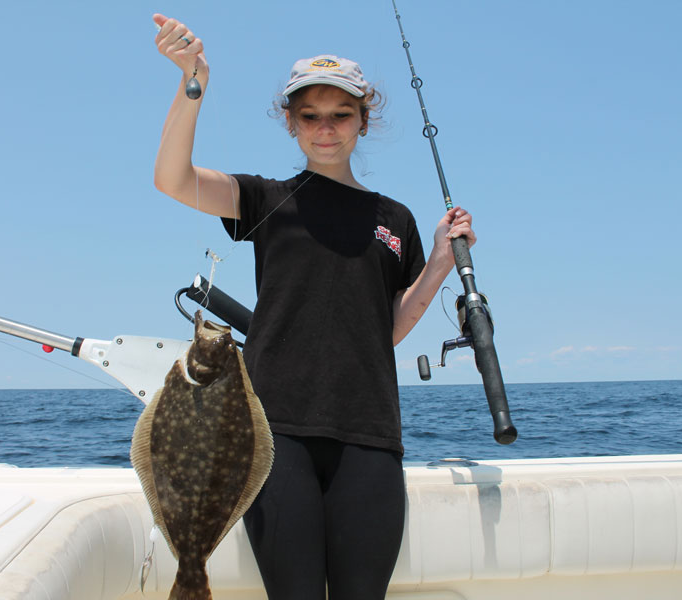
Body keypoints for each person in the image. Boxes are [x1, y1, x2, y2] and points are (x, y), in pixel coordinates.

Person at [151, 13, 476, 600]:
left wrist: (438, 263)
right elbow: (172, 180)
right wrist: (192, 81)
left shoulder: (393, 219)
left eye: (341, 115)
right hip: (275, 435)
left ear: (363, 121)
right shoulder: (265, 200)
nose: (326, 129)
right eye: (311, 116)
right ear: (291, 123)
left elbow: (389, 329)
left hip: (370, 435)